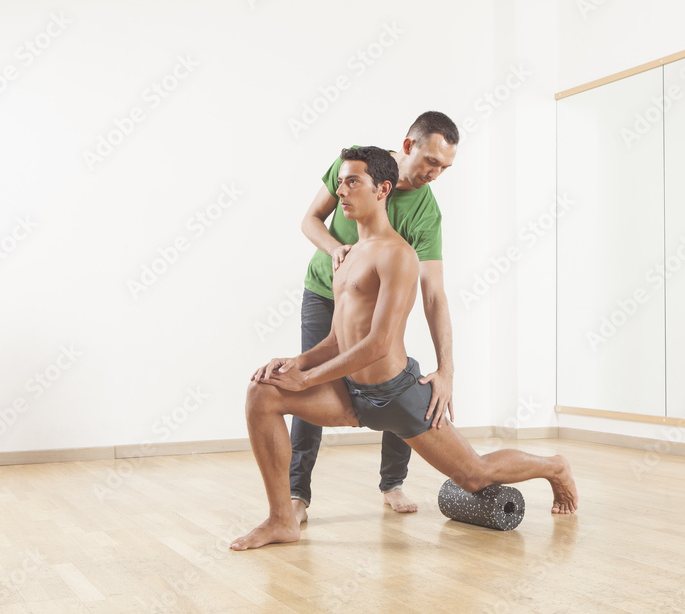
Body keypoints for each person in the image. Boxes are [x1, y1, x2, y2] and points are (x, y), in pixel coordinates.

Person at [231, 146, 577, 551]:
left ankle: (555, 467)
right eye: (340, 182)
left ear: (383, 190)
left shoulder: (398, 255)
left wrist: (306, 378)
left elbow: (378, 344)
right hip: (352, 397)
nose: (341, 191)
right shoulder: (346, 256)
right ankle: (281, 520)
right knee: (263, 392)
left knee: (475, 475)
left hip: (397, 395)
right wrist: (295, 362)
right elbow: (339, 339)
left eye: (353, 182)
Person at [290, 111, 459, 521]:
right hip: (324, 294)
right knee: (307, 388)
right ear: (407, 146)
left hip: (375, 301)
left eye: (444, 167)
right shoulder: (357, 168)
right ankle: (296, 495)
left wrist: (447, 368)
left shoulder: (426, 214)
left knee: (400, 381)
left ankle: (393, 483)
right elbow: (309, 219)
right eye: (431, 161)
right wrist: (335, 250)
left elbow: (433, 292)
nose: (435, 173)